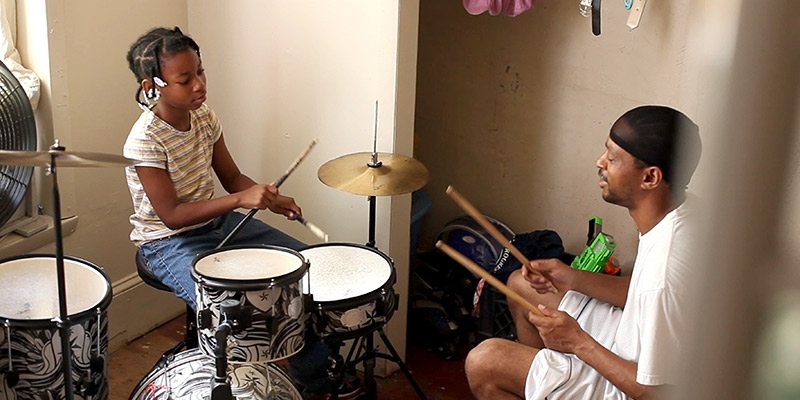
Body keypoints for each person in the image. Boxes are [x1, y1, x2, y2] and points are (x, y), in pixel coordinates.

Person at [123, 27, 361, 399]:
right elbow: (172, 215)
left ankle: (313, 379)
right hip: (166, 243)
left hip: (217, 223)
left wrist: (268, 197)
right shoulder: (145, 140)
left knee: (304, 271)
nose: (200, 84)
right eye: (185, 80)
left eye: (201, 71)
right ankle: (244, 385)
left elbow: (233, 179)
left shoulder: (204, 117)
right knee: (235, 313)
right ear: (152, 85)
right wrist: (240, 200)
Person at [465, 105, 702, 399]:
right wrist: (572, 278)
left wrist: (577, 342)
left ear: (650, 178)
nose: (599, 162)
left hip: (635, 387)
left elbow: (655, 392)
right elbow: (642, 294)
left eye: (612, 158)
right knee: (521, 284)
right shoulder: (681, 213)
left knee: (484, 362)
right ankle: (545, 380)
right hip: (634, 342)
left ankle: (550, 379)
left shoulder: (664, 272)